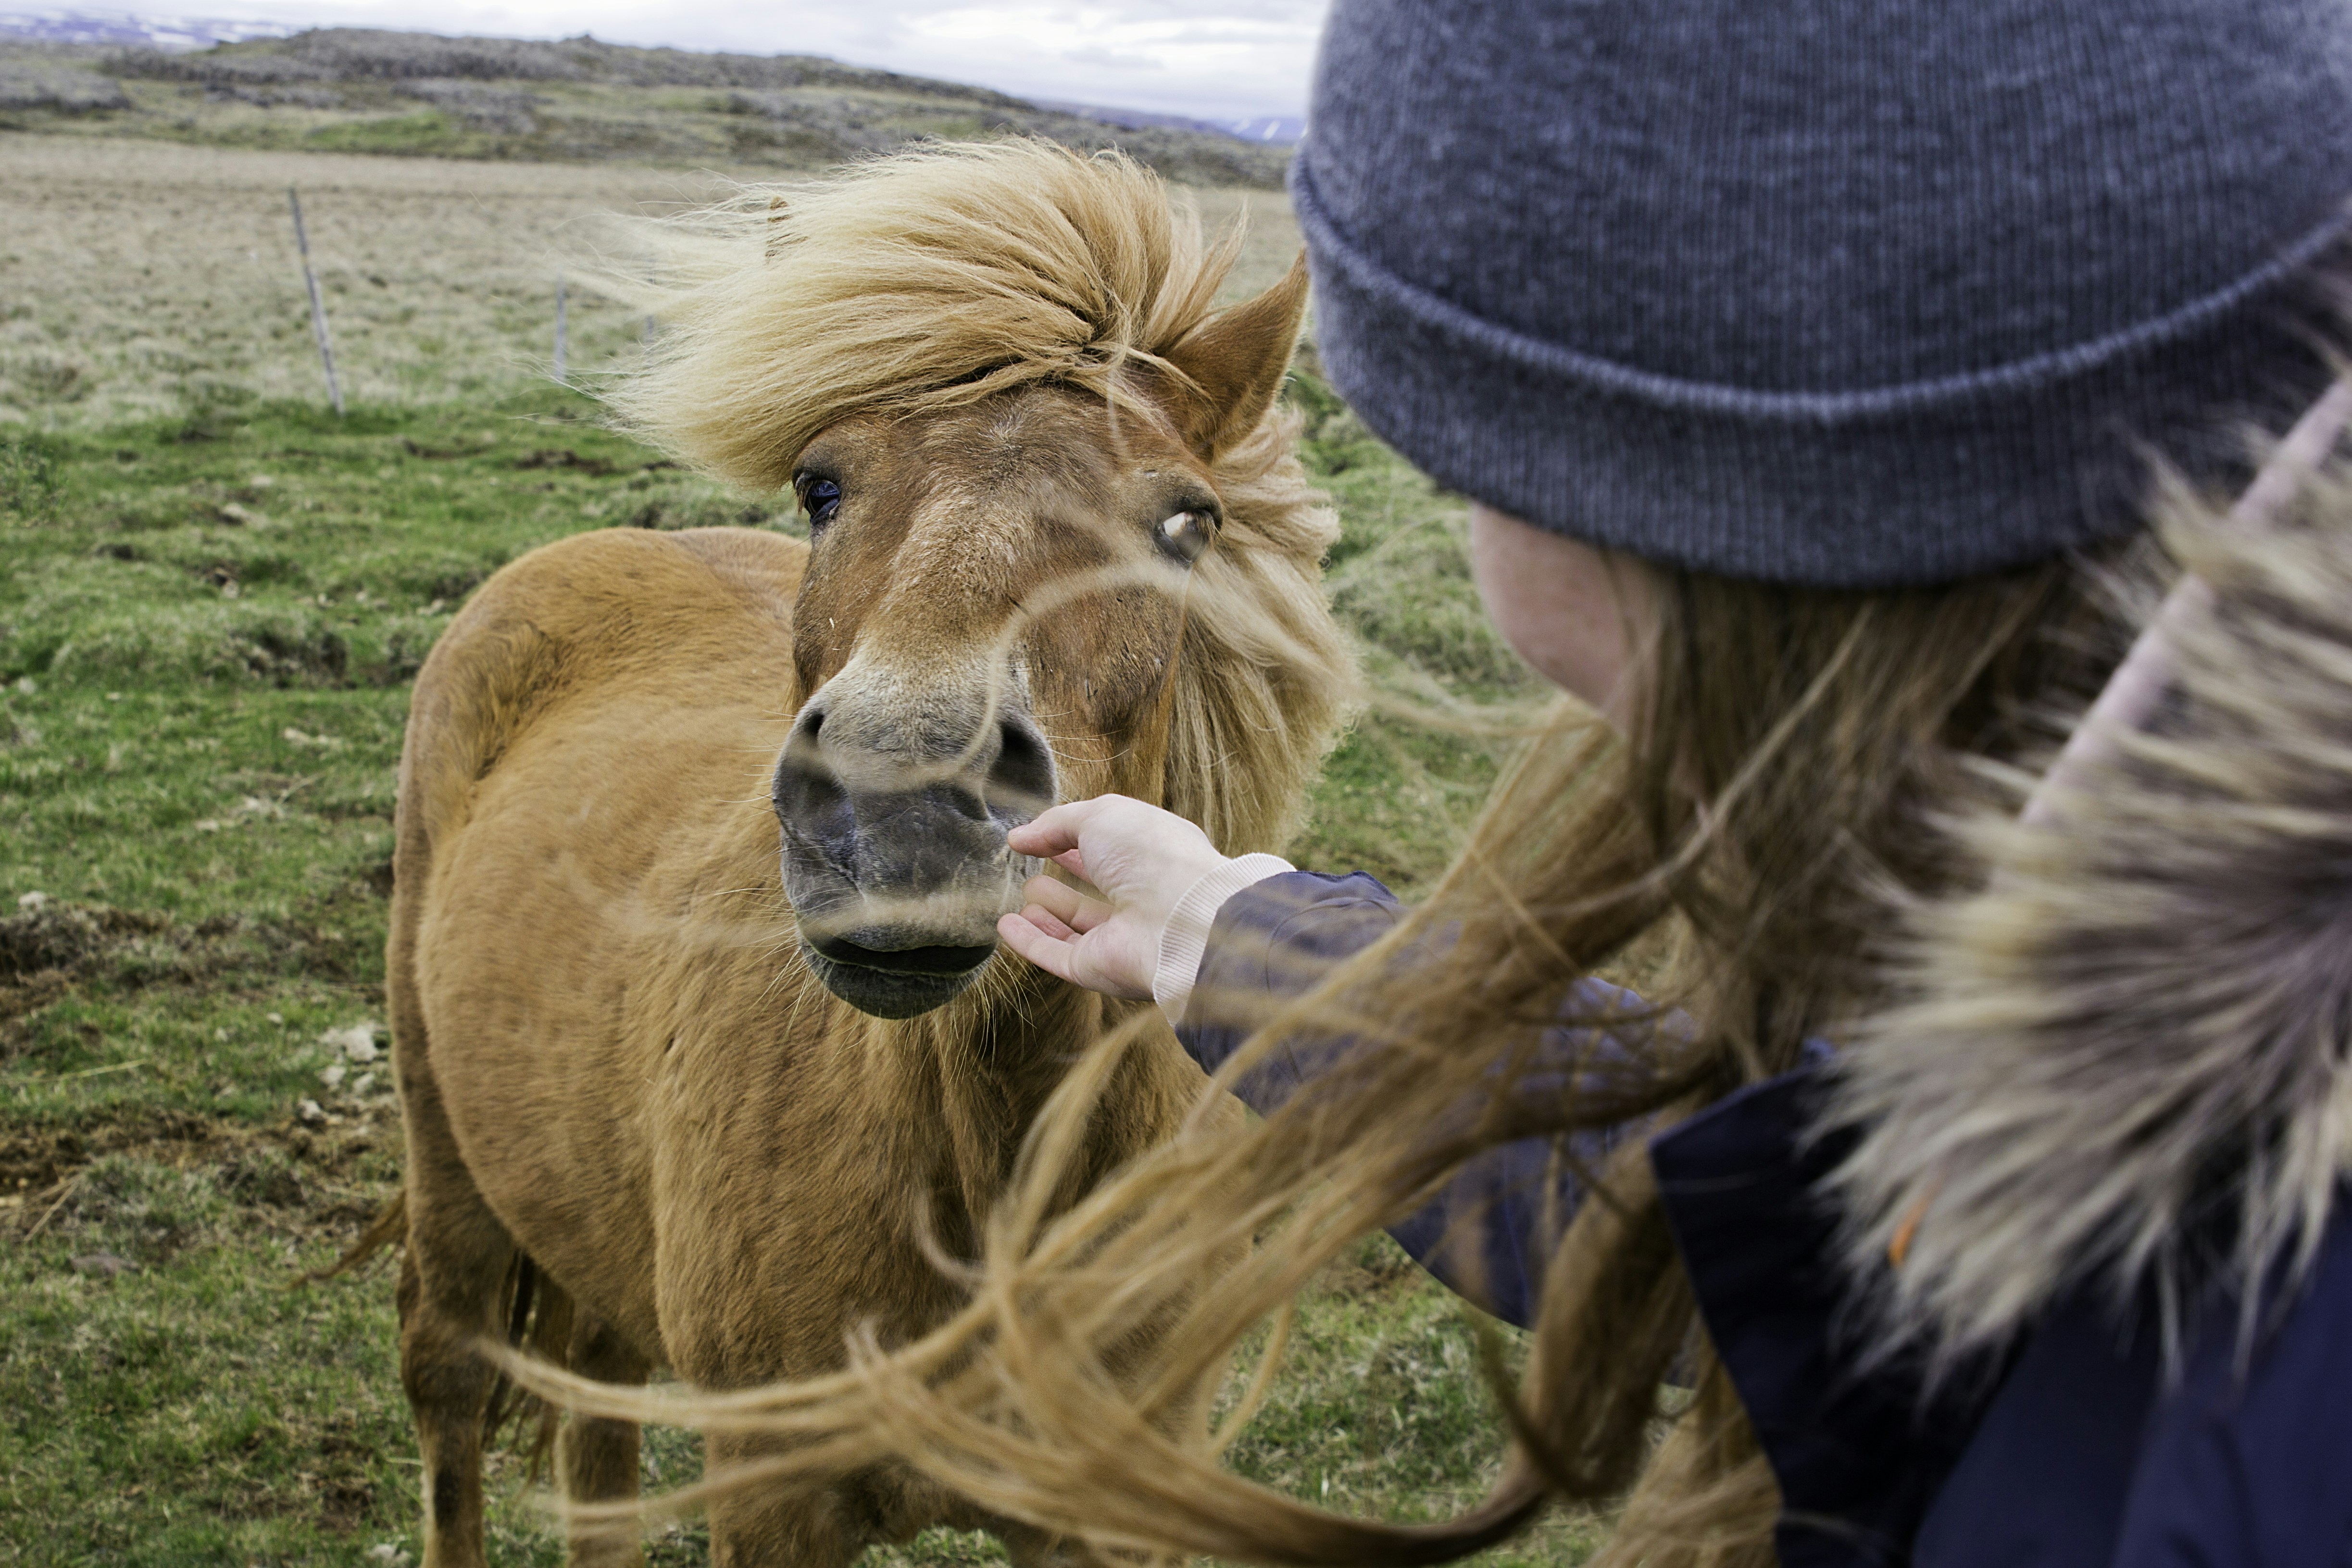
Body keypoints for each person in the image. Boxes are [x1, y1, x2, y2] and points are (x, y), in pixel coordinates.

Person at [969, 2, 2352, 1565]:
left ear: (1697, 489)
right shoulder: (2166, 1003)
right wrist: (1225, 926)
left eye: (1459, 461)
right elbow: (1831, 1229)